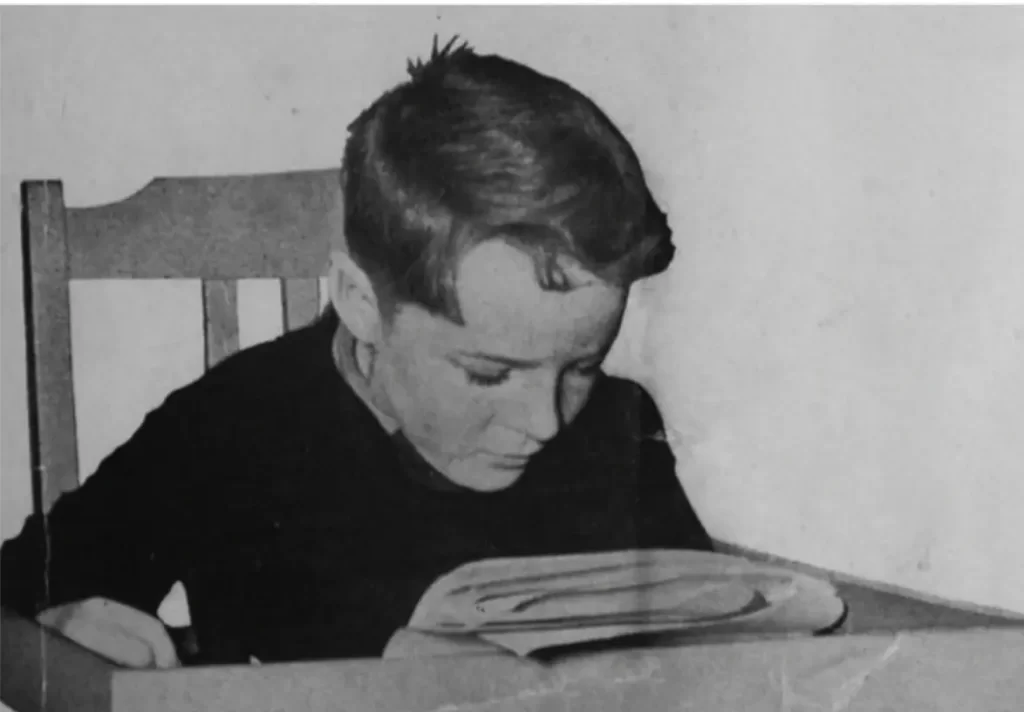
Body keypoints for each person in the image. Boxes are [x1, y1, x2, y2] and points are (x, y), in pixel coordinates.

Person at [0, 38, 711, 667]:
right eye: (487, 374)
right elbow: (16, 589)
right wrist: (56, 630)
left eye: (582, 366)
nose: (547, 422)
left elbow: (715, 636)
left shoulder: (616, 431)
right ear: (361, 302)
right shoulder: (233, 428)